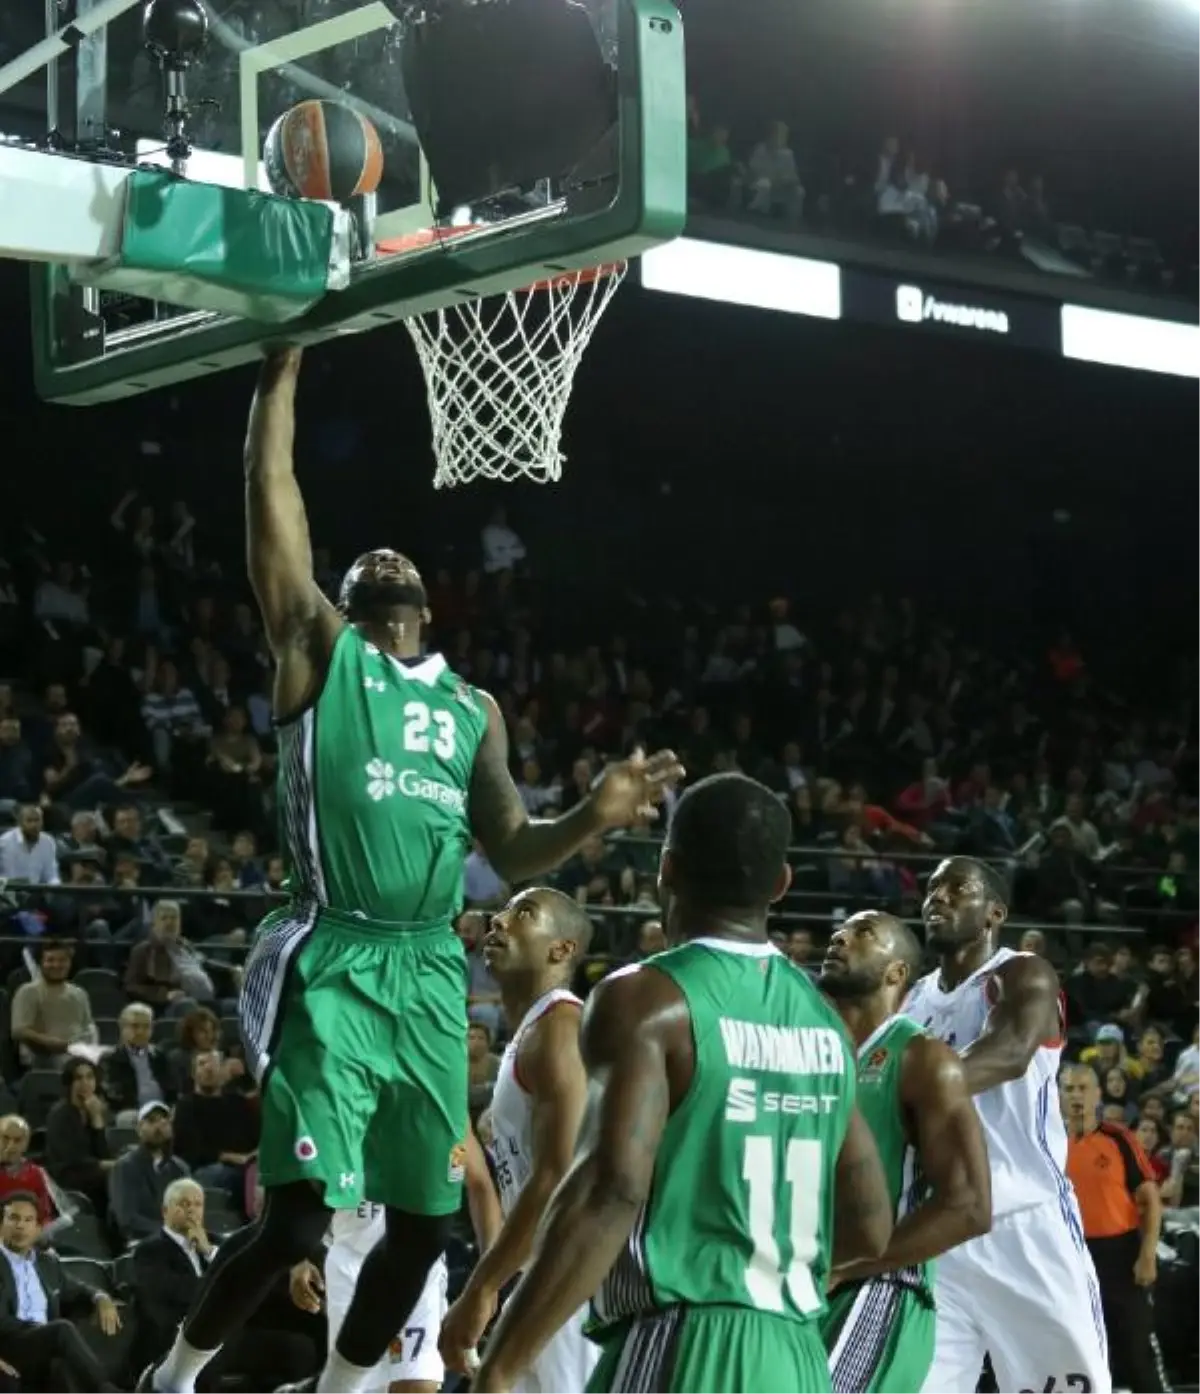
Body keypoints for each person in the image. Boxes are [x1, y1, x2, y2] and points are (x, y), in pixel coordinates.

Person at [139, 346, 682, 1394]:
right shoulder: (319, 648)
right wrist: (279, 369)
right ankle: (175, 1373)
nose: (383, 557)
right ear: (347, 597)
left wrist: (596, 815)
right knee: (297, 1213)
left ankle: (343, 1388)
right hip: (333, 948)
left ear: (429, 605)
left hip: (432, 968)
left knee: (429, 1218)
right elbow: (270, 488)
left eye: (398, 561)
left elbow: (517, 848)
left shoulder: (472, 707)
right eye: (363, 562)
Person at [467, 772, 893, 1394]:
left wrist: (502, 1362)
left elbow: (609, 1192)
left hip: (682, 1343)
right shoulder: (826, 1022)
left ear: (665, 870)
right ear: (780, 885)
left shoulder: (645, 998)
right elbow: (871, 1226)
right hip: (798, 1355)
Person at [904, 857, 1111, 1394]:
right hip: (939, 1233)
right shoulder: (912, 1000)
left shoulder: (1022, 972)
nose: (939, 898)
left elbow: (1010, 1053)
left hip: (1025, 1224)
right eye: (931, 889)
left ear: (995, 911)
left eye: (957, 889)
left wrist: (900, 1089)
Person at [817, 911, 991, 1394]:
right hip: (806, 1283)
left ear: (897, 973)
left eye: (863, 933)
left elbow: (969, 1208)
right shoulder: (812, 1051)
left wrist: (844, 1267)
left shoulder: (922, 1057)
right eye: (839, 932)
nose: (841, 937)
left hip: (879, 1289)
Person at [440, 888, 598, 1392]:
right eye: (501, 912)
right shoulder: (530, 1035)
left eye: (523, 914)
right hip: (543, 1274)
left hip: (574, 1282)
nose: (498, 922)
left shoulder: (559, 1028)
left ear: (561, 949)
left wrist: (482, 1287)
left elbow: (559, 1178)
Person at [289, 1126, 499, 1394]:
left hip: (418, 1264)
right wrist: (298, 1255)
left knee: (417, 1386)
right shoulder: (337, 1104)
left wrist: (489, 1278)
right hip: (351, 1265)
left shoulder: (443, 1112)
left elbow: (480, 1185)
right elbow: (301, 1186)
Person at [134, 1179, 315, 1393]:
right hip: (181, 1337)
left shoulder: (215, 1243)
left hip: (232, 1335)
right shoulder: (149, 1250)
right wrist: (220, 1282)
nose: (191, 1210)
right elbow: (175, 1292)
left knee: (299, 1349)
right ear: (165, 1211)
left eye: (197, 1204)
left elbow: (246, 1278)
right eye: (183, 1204)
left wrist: (209, 1251)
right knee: (204, 1363)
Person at [1061, 1065, 1170, 1394]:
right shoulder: (1047, 1140)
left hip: (1121, 1254)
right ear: (1058, 1096)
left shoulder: (1119, 1139)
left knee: (1138, 1350)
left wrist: (1147, 1253)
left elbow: (1150, 1201)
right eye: (1069, 1089)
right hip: (1071, 1257)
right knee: (1084, 1352)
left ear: (1097, 1094)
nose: (1076, 1095)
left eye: (1083, 1088)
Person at [0, 1191, 123, 1394]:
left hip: (45, 1344)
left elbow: (79, 1288)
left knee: (64, 1365)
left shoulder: (48, 1264)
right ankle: (107, 1390)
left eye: (28, 1220)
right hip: (10, 1345)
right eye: (13, 1218)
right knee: (62, 1330)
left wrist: (101, 1297)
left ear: (38, 1229)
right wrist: (38, 1328)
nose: (20, 1226)